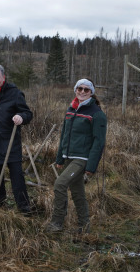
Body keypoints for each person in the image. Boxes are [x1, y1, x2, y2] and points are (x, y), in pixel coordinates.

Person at [45, 78, 107, 234]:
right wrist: (60, 158)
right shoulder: (70, 110)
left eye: (87, 89)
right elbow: (64, 136)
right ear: (75, 90)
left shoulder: (97, 114)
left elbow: (99, 142)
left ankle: (56, 223)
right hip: (68, 157)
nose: (82, 92)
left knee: (60, 184)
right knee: (78, 192)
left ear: (91, 93)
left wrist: (91, 167)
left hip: (82, 159)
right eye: (80, 88)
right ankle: (84, 226)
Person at [0, 64, 33, 215]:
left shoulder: (14, 93)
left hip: (10, 143)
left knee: (17, 178)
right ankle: (0, 208)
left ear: (3, 78)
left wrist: (21, 117)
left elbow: (28, 113)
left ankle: (24, 209)